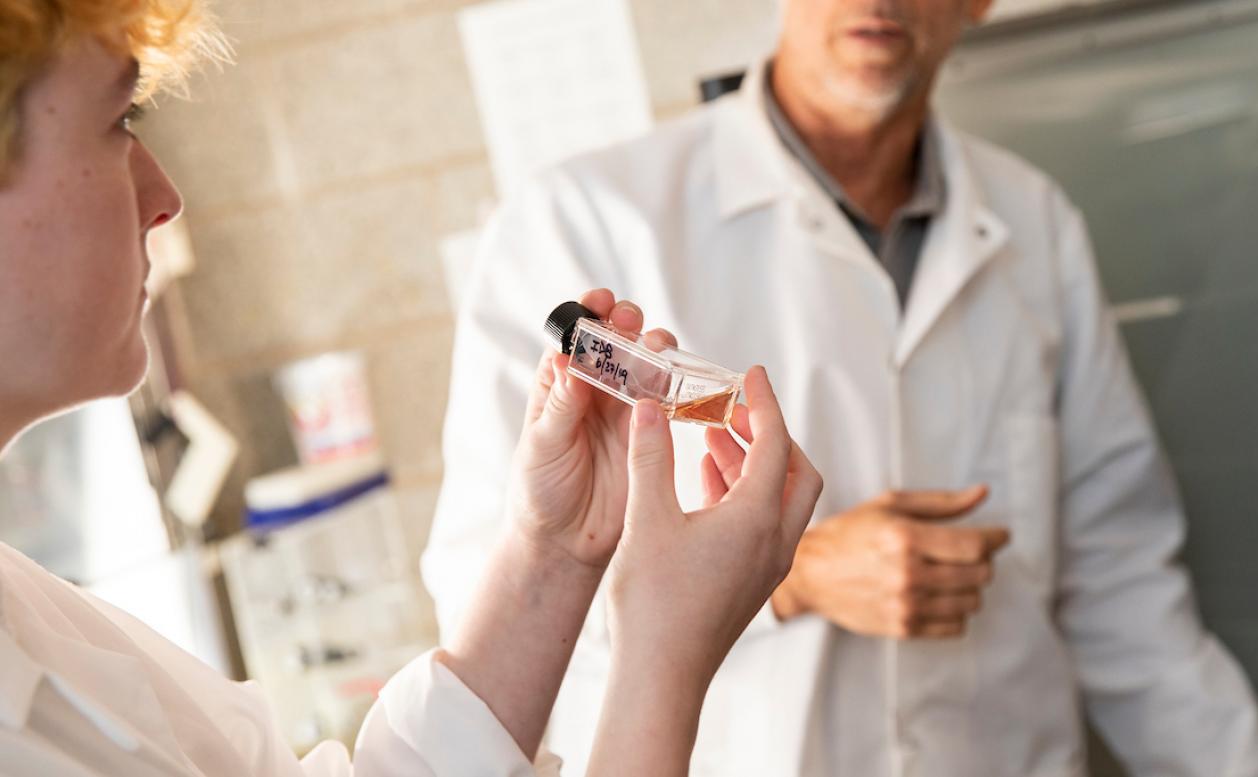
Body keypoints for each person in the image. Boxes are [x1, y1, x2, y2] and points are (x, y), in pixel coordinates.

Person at [423, 1, 1258, 775]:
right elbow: (484, 600)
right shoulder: (583, 219)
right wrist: (788, 580)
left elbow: (1122, 577)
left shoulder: (1035, 223)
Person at [0, 2, 823, 775]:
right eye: (120, 122)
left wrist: (556, 551)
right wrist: (663, 658)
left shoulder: (35, 617)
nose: (165, 198)